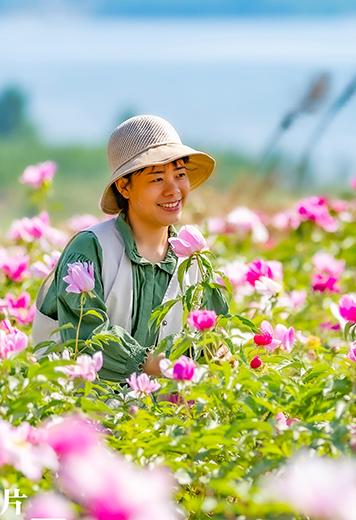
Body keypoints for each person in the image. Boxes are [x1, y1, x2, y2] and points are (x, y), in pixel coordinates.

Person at [32, 115, 229, 382]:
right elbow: (86, 341)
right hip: (84, 408)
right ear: (124, 186)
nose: (174, 190)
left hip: (163, 413)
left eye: (180, 175)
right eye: (157, 179)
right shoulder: (91, 250)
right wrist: (161, 366)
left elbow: (212, 342)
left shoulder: (191, 259)